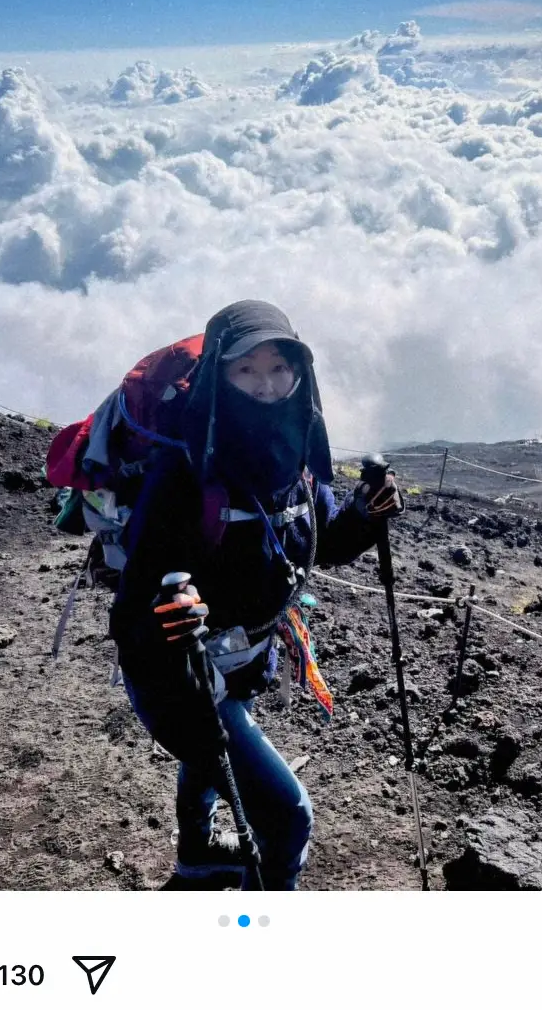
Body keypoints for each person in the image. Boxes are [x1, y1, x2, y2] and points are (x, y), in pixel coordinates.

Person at [108, 300, 403, 890]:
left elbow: (320, 544)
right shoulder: (184, 474)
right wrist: (166, 615)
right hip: (181, 678)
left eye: (279, 368)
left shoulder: (295, 462)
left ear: (299, 374)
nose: (266, 386)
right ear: (219, 375)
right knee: (288, 818)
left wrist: (365, 516)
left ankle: (197, 856)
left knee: (209, 763)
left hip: (242, 663)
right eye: (246, 370)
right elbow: (133, 608)